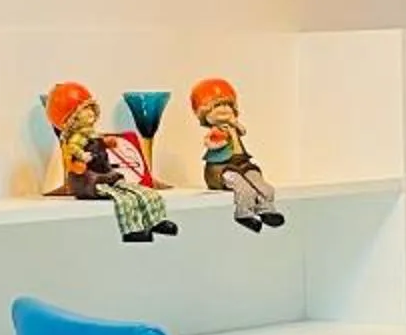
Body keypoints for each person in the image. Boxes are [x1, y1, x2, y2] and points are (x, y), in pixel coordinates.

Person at [45, 81, 175, 243]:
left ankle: (156, 219)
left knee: (143, 191)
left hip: (106, 174)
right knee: (124, 199)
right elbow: (73, 157)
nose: (90, 113)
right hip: (89, 182)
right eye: (84, 110)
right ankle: (132, 229)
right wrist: (81, 160)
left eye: (91, 108)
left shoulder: (91, 134)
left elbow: (98, 142)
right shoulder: (75, 140)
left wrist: (107, 142)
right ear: (73, 118)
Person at [189, 77, 284, 232]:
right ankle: (243, 213)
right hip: (221, 169)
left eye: (228, 105)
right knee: (244, 189)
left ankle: (266, 209)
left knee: (263, 185)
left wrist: (234, 123)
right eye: (217, 106)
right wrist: (219, 138)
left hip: (241, 163)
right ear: (205, 112)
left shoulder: (233, 127)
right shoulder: (217, 131)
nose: (224, 109)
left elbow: (243, 130)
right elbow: (211, 143)